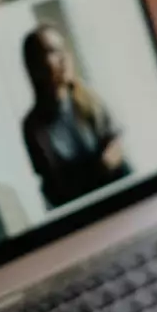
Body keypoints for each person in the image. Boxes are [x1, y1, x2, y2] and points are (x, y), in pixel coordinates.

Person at [21, 24, 130, 209]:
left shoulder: (89, 98)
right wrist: (97, 169)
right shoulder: (33, 126)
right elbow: (55, 186)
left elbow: (116, 148)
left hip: (122, 194)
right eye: (52, 51)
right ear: (36, 65)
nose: (64, 58)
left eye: (63, 49)